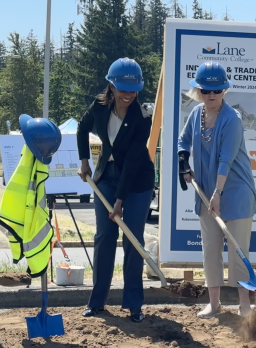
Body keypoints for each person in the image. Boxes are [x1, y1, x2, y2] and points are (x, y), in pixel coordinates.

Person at [76, 57, 155, 323]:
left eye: (133, 90)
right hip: (105, 179)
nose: (128, 95)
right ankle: (97, 301)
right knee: (104, 238)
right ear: (111, 85)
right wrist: (84, 162)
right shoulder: (99, 107)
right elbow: (81, 128)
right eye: (123, 89)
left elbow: (133, 162)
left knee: (133, 240)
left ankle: (134, 304)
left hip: (136, 183)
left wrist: (120, 200)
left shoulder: (142, 118)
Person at [177, 61, 256, 319]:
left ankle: (245, 305)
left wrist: (218, 194)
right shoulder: (196, 114)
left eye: (217, 91)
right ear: (198, 91)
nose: (211, 95)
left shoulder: (232, 120)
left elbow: (226, 159)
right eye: (205, 91)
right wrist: (182, 161)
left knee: (238, 251)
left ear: (225, 91)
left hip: (234, 192)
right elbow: (183, 139)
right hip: (207, 192)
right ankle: (214, 304)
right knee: (211, 248)